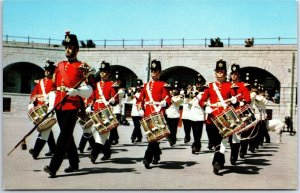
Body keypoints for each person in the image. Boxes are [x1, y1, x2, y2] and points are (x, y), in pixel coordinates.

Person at [44, 31, 94, 178]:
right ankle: (74, 162)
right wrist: (51, 104)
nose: (67, 49)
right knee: (67, 136)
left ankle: (53, 167)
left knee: (63, 137)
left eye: (70, 47)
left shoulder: (83, 66)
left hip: (73, 105)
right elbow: (54, 87)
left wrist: (77, 91)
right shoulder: (59, 66)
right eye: (66, 47)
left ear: (77, 49)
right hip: (60, 105)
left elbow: (91, 88)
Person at [199, 59, 237, 175]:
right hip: (211, 119)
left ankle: (217, 163)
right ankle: (220, 161)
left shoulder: (231, 86)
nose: (220, 73)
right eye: (218, 71)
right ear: (215, 73)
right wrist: (206, 106)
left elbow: (236, 100)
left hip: (225, 119)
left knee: (221, 143)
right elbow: (202, 100)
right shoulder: (210, 86)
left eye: (222, 71)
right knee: (215, 142)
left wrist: (235, 101)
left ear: (225, 73)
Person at [137, 59, 171, 169]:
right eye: (152, 70)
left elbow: (168, 99)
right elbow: (140, 100)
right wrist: (140, 109)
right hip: (147, 113)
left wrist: (164, 103)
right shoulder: (145, 86)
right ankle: (157, 154)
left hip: (158, 113)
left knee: (153, 138)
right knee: (153, 138)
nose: (153, 72)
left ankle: (147, 158)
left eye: (155, 70)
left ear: (159, 72)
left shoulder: (163, 85)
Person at [88, 61, 119, 163]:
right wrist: (89, 106)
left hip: (106, 113)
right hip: (96, 112)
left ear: (108, 74)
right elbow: (92, 98)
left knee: (102, 134)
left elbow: (116, 99)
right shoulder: (96, 85)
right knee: (100, 134)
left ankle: (94, 155)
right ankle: (107, 152)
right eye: (101, 71)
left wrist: (113, 100)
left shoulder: (111, 84)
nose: (102, 73)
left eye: (104, 71)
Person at [28, 59, 57, 159]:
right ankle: (54, 150)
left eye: (49, 70)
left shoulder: (55, 83)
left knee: (44, 129)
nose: (46, 71)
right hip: (39, 110)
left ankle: (35, 151)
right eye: (46, 69)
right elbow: (34, 94)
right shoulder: (40, 82)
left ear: (52, 71)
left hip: (48, 110)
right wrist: (31, 103)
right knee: (47, 130)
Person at [228, 64, 251, 164]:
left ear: (238, 75)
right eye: (232, 74)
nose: (234, 76)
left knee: (236, 136)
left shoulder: (243, 85)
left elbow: (248, 98)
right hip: (228, 113)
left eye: (235, 74)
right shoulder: (226, 85)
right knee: (228, 135)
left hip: (238, 112)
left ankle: (234, 155)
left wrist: (243, 102)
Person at [188, 74, 206, 154]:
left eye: (200, 84)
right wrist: (187, 95)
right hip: (193, 115)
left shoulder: (205, 92)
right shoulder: (192, 92)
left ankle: (195, 145)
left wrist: (197, 95)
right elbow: (187, 103)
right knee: (194, 132)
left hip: (200, 115)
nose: (198, 86)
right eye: (197, 84)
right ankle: (197, 145)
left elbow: (203, 101)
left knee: (198, 132)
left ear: (202, 84)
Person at [165, 80, 183, 146]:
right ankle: (171, 139)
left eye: (176, 90)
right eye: (173, 90)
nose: (174, 91)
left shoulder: (180, 97)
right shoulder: (169, 96)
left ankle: (173, 140)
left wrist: (170, 97)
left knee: (174, 129)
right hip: (168, 114)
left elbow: (176, 102)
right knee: (169, 128)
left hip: (175, 115)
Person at [129, 79, 144, 143]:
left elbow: (141, 101)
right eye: (137, 85)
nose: (138, 87)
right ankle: (140, 137)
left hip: (140, 111)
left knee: (137, 125)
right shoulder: (134, 92)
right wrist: (129, 94)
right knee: (137, 126)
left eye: (139, 86)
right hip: (134, 111)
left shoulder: (143, 93)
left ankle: (133, 136)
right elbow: (128, 100)